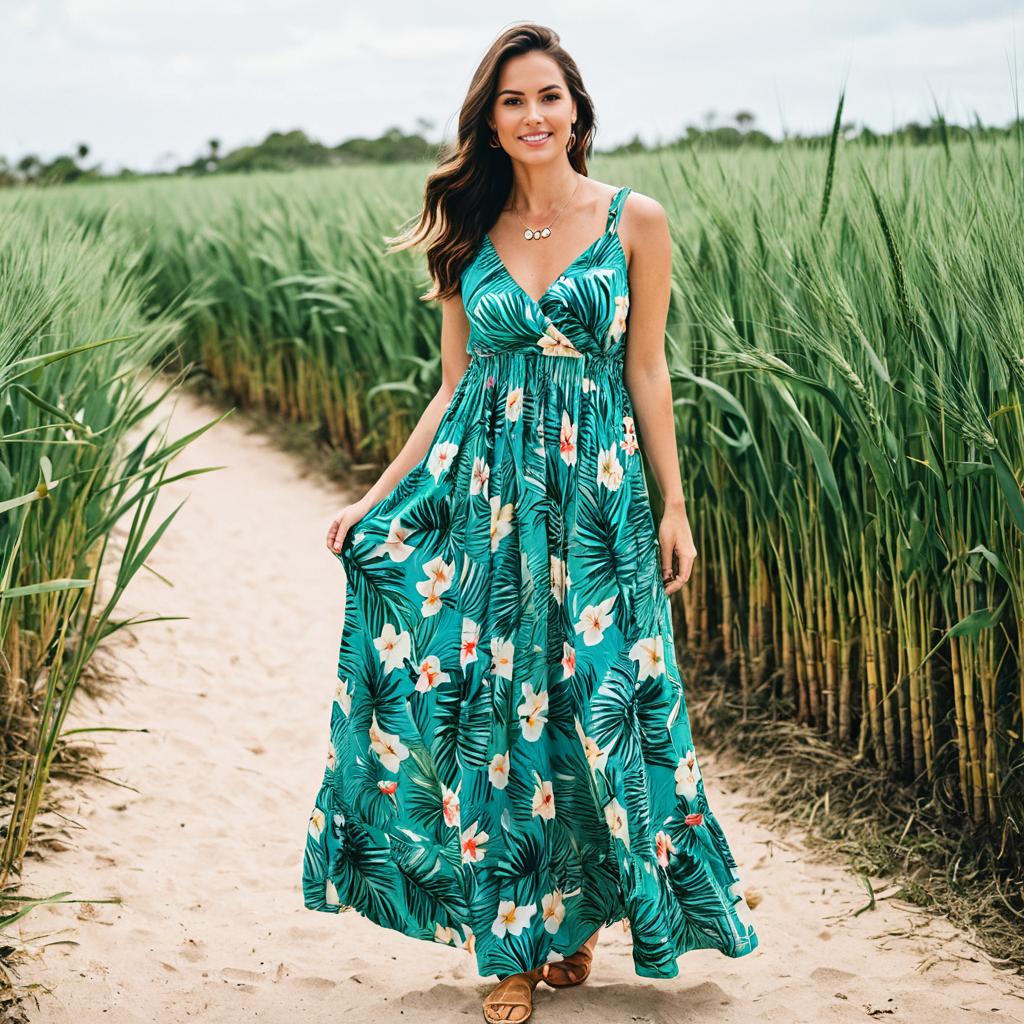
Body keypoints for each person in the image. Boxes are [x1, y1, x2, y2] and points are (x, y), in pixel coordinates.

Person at [303, 21, 759, 1023]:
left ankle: (583, 916)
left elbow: (646, 368)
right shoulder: (467, 236)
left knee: (600, 700)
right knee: (502, 714)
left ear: (576, 110)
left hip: (599, 504)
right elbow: (450, 389)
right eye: (512, 100)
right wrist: (373, 498)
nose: (532, 115)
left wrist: (674, 504)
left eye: (548, 96)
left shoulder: (635, 219)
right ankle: (512, 947)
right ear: (490, 119)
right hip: (490, 505)